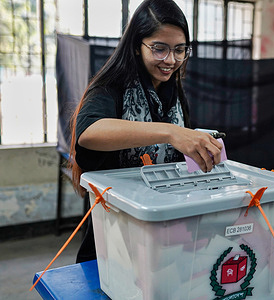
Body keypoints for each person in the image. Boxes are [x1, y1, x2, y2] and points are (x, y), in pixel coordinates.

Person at [69, 0, 223, 263]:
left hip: (164, 229)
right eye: (159, 49)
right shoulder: (112, 85)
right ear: (137, 47)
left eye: (179, 50)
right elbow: (89, 132)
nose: (171, 60)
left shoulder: (173, 93)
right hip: (116, 232)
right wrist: (171, 133)